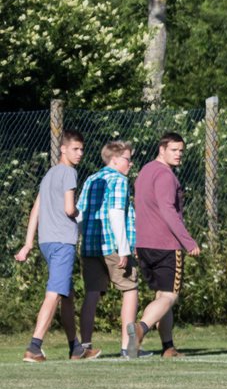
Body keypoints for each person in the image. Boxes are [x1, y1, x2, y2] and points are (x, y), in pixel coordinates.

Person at [13, 129, 101, 362]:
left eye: (82, 149)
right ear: (63, 149)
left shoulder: (49, 174)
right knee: (54, 294)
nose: (80, 153)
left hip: (46, 242)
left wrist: (28, 244)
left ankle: (76, 348)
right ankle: (34, 346)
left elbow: (35, 210)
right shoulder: (68, 173)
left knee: (68, 295)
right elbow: (69, 209)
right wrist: (83, 214)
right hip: (63, 242)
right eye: (75, 149)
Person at [127, 132, 201, 359]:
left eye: (181, 151)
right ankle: (141, 329)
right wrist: (188, 242)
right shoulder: (166, 176)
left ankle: (168, 347)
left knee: (162, 296)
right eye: (174, 150)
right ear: (162, 149)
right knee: (170, 296)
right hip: (166, 244)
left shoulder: (144, 172)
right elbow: (168, 211)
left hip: (144, 245)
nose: (179, 154)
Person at [77, 140, 140, 358]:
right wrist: (124, 249)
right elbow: (115, 213)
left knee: (92, 293)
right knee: (130, 289)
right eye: (127, 159)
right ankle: (128, 347)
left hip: (91, 245)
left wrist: (81, 240)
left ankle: (84, 346)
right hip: (113, 246)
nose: (130, 164)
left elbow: (80, 213)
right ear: (114, 160)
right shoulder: (119, 180)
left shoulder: (91, 179)